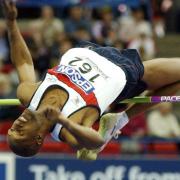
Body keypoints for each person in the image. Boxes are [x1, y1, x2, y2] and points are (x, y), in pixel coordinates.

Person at [2, 0, 180, 159]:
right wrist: (62, 120)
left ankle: (118, 118)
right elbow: (94, 142)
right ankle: (122, 117)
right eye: (19, 131)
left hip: (89, 50)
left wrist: (11, 22)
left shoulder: (28, 94)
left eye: (12, 128)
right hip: (122, 69)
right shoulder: (67, 129)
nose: (16, 123)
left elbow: (23, 62)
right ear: (38, 138)